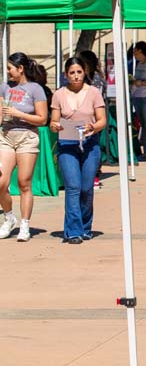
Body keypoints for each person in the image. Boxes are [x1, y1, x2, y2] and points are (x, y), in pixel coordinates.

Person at [49, 57, 107, 244]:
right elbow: (53, 121)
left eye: (79, 72)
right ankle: (74, 231)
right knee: (73, 187)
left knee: (86, 188)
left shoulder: (94, 93)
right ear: (66, 74)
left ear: (85, 72)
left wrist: (93, 127)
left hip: (90, 143)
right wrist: (55, 125)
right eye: (72, 73)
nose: (75, 76)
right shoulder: (59, 94)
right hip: (67, 143)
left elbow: (102, 120)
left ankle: (85, 226)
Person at [0, 52, 49, 242]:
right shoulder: (4, 88)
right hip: (6, 136)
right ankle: (9, 217)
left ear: (20, 69)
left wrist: (18, 113)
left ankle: (25, 224)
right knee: (2, 182)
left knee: (24, 182)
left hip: (27, 137)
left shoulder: (35, 89)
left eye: (10, 68)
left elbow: (42, 118)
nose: (8, 72)